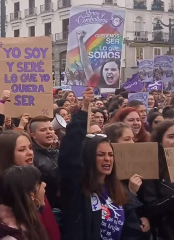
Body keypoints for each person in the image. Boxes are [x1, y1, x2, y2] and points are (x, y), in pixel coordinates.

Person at [59, 88, 140, 240]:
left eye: (110, 154)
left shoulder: (118, 190)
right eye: (101, 155)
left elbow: (131, 227)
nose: (107, 159)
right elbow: (70, 154)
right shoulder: (78, 187)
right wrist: (83, 111)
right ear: (89, 158)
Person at [142, 120, 174, 240]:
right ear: (159, 142)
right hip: (168, 234)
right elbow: (149, 209)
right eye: (171, 137)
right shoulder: (152, 170)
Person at [0, 165, 49, 240]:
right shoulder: (10, 237)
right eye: (39, 183)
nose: (44, 185)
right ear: (30, 195)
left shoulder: (24, 218)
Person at [29, 116, 60, 209]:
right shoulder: (31, 157)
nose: (49, 132)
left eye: (51, 129)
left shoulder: (57, 152)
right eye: (43, 130)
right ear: (33, 135)